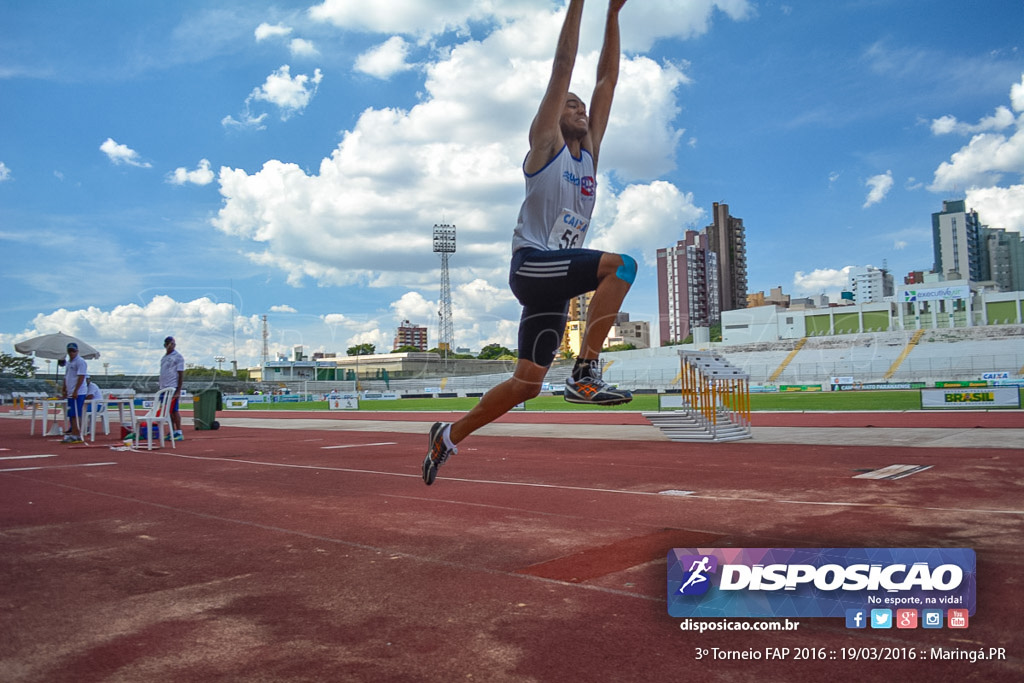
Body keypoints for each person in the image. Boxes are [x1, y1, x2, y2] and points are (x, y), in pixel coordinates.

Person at [423, 0, 634, 485]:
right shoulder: (545, 144)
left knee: (527, 384)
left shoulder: (590, 155)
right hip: (532, 265)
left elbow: (607, 81)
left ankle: (447, 437)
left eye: (583, 107)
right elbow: (565, 67)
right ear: (552, 115)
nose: (579, 108)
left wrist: (614, 14)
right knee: (621, 266)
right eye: (570, 103)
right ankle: (585, 373)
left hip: (552, 286)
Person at [160, 336, 185, 441]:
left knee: (174, 410)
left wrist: (178, 390)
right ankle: (172, 429)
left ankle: (179, 431)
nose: (172, 346)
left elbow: (180, 374)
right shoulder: (164, 357)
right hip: (163, 387)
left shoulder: (178, 357)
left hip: (172, 387)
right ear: (165, 345)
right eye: (170, 344)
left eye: (174, 344)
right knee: (167, 411)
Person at [62, 342, 88, 443]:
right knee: (71, 413)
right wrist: (64, 388)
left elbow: (81, 377)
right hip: (70, 391)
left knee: (76, 413)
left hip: (78, 392)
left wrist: (76, 390)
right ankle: (73, 432)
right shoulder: (68, 363)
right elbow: (66, 376)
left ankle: (77, 434)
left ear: (77, 351)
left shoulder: (80, 362)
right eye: (70, 351)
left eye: (73, 351)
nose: (71, 353)